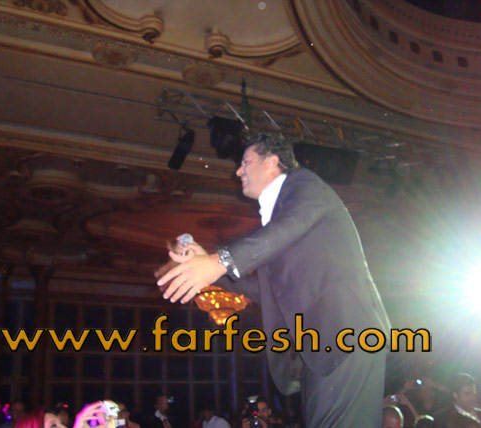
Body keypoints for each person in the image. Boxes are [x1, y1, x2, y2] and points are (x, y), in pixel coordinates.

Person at [157, 133, 391, 427]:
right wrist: (210, 268)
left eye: (246, 162)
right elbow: (263, 290)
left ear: (272, 162)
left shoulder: (304, 184)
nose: (238, 171)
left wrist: (219, 262)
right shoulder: (275, 227)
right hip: (323, 348)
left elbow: (288, 227)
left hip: (348, 335)